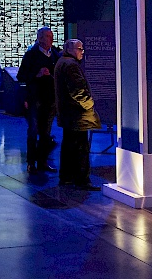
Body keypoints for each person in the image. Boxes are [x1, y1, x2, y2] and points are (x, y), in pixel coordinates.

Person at [54, 39, 102, 191]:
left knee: (69, 146)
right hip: (77, 115)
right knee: (80, 148)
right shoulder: (71, 65)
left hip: (69, 114)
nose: (82, 52)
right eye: (80, 49)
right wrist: (90, 105)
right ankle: (81, 179)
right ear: (71, 50)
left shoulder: (62, 62)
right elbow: (78, 91)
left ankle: (67, 177)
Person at [17, 26, 60, 174]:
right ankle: (31, 163)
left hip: (50, 100)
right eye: (48, 36)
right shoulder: (31, 55)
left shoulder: (54, 54)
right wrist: (37, 74)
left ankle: (42, 161)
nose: (51, 39)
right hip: (35, 99)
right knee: (33, 131)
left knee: (45, 132)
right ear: (40, 38)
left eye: (52, 36)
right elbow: (21, 76)